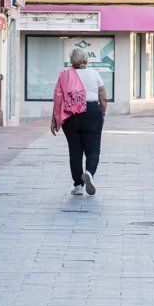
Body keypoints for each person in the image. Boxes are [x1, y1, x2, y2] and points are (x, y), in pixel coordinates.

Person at [51, 47, 107, 195]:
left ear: (71, 60)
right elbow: (103, 96)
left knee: (75, 151)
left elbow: (58, 98)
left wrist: (55, 119)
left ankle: (78, 186)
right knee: (93, 148)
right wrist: (102, 113)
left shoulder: (65, 75)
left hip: (71, 115)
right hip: (92, 112)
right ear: (86, 59)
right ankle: (89, 172)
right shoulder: (94, 74)